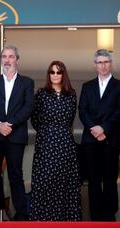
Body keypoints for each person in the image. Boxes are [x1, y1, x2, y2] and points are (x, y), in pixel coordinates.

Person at [0, 44, 34, 221]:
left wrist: (9, 124)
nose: (7, 60)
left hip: (15, 135)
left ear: (17, 60)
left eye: (11, 57)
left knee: (15, 175)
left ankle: (21, 216)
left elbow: (28, 108)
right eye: (4, 56)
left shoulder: (27, 82)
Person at [78, 49, 120, 221]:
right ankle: (95, 218)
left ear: (111, 63)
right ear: (95, 65)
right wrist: (94, 128)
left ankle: (109, 217)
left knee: (109, 179)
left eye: (106, 62)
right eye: (100, 62)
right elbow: (82, 111)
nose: (103, 65)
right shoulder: (87, 86)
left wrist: (103, 129)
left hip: (110, 139)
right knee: (92, 180)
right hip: (90, 140)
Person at [30, 61, 82, 221]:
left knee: (65, 184)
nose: (55, 75)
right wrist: (48, 131)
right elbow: (34, 119)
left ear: (63, 74)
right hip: (45, 143)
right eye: (52, 72)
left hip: (65, 143)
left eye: (58, 72)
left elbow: (71, 118)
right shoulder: (41, 94)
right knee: (45, 183)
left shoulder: (71, 94)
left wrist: (59, 131)